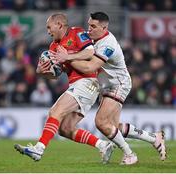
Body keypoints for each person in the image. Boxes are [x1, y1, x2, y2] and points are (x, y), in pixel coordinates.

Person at [53, 12, 166, 164]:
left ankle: (130, 154)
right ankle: (154, 137)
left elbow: (90, 66)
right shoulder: (89, 37)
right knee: (112, 127)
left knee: (101, 122)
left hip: (118, 83)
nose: (89, 29)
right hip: (104, 85)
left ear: (104, 27)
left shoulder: (108, 44)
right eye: (89, 25)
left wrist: (67, 58)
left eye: (93, 26)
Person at [14, 13, 114, 164]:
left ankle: (39, 149)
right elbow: (55, 75)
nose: (48, 31)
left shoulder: (76, 33)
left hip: (87, 82)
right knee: (65, 129)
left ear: (60, 25)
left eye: (49, 27)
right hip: (78, 86)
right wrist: (42, 72)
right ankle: (103, 145)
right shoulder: (53, 47)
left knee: (55, 111)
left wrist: (68, 56)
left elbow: (90, 52)